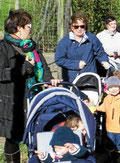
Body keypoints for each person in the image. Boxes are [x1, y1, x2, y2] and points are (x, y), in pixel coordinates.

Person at [0, 9, 61, 162]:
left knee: (35, 134)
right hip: (13, 100)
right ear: (19, 28)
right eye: (29, 26)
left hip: (34, 97)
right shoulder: (3, 48)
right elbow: (2, 74)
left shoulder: (31, 46)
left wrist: (49, 81)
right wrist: (25, 67)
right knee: (13, 138)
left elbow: (44, 67)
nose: (31, 29)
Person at [55, 11, 110, 82]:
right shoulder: (65, 41)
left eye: (82, 26)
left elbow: (101, 53)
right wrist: (76, 64)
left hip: (90, 77)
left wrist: (104, 60)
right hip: (71, 79)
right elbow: (59, 60)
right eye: (76, 26)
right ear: (71, 27)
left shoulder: (92, 38)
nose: (79, 29)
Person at [94, 76, 120, 161]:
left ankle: (117, 158)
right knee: (110, 143)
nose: (113, 89)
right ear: (108, 88)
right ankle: (110, 156)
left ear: (119, 87)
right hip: (109, 127)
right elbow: (104, 107)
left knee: (119, 144)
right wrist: (96, 107)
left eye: (116, 87)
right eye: (111, 87)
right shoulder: (107, 98)